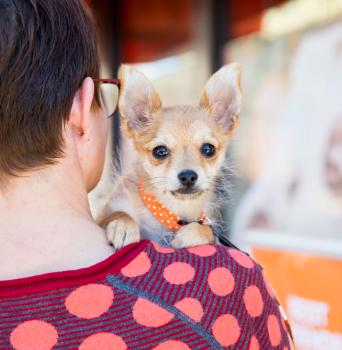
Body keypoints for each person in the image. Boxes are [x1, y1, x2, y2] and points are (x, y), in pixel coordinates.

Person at [0, 1, 292, 349]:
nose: (187, 170)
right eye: (161, 152)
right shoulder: (227, 288)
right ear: (81, 109)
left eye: (207, 150)